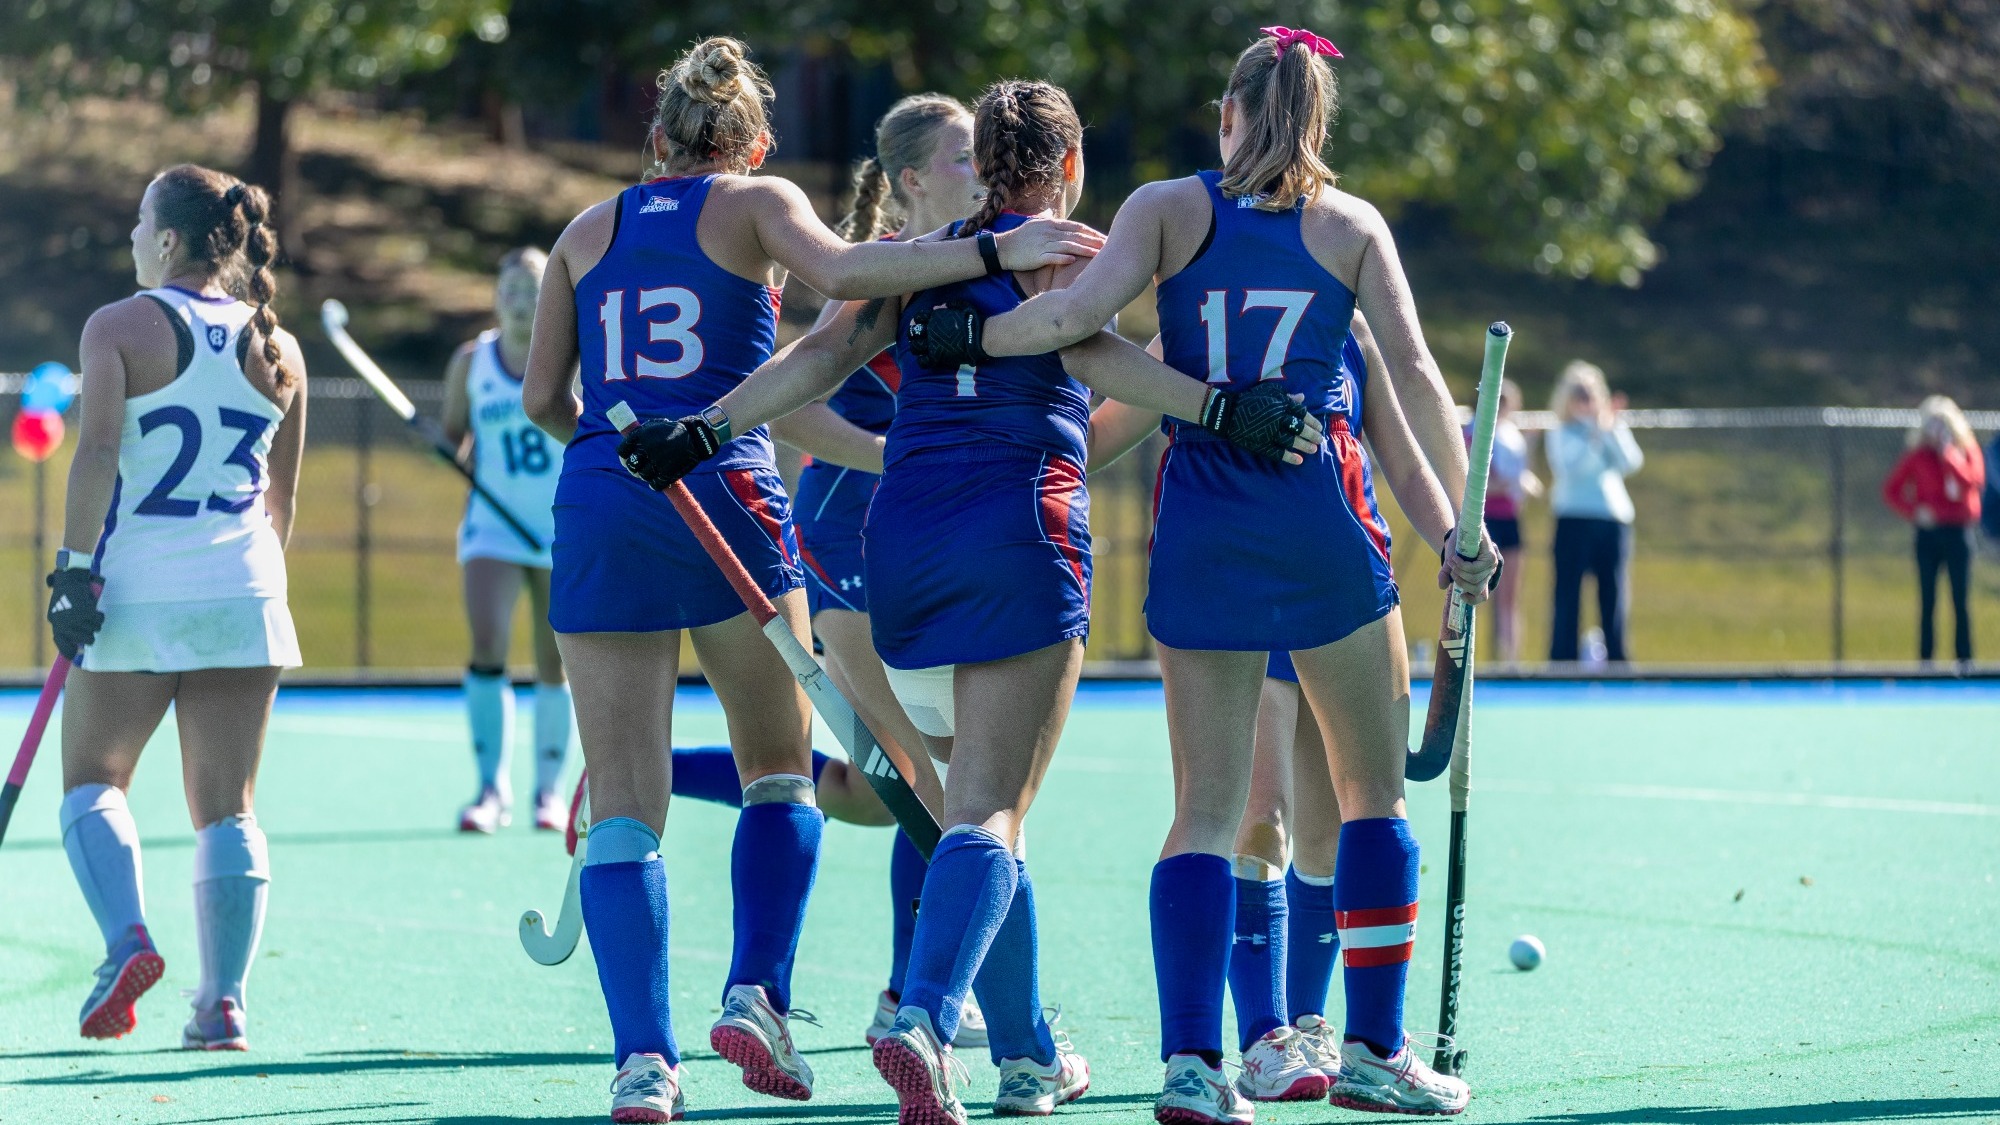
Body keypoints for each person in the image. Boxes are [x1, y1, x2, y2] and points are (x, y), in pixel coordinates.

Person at [615, 77, 1319, 1125]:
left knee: (974, 811)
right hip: (1017, 537)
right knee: (992, 808)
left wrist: (705, 428)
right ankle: (925, 1014)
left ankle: (1029, 1055)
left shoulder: (921, 260)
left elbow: (815, 355)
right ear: (1069, 168)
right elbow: (1085, 346)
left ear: (976, 164)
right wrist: (1223, 407)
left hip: (899, 557)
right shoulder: (1073, 249)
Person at [904, 28, 1499, 1119]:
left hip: (1202, 522)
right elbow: (1411, 377)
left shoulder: (1165, 209)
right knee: (1370, 796)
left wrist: (969, 341)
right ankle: (1372, 1050)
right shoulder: (1349, 224)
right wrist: (1463, 527)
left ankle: (1191, 1065)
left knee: (1205, 812)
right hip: (1321, 514)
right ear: (1318, 124)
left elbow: (1077, 323)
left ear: (1225, 115)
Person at [518, 37, 1103, 1122]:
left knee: (625, 814)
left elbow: (544, 396)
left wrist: (613, 452)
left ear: (655, 139)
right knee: (785, 773)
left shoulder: (582, 230)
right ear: (753, 141)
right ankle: (761, 992)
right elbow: (838, 277)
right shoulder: (755, 202)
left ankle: (644, 1065)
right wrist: (991, 252)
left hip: (608, 489)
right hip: (731, 497)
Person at [46, 164, 307, 1051]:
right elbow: (283, 504)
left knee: (91, 780)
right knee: (228, 809)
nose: (129, 236)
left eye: (138, 221)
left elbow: (97, 454)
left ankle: (126, 939)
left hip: (140, 589)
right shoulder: (282, 347)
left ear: (166, 240)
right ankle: (223, 1003)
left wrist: (71, 571)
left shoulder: (118, 326)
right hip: (248, 589)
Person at [441, 247, 572, 834]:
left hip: (558, 527)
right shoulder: (472, 362)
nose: (520, 299)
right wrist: (441, 446)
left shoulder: (572, 359)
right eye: (509, 287)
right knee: (488, 643)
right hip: (492, 528)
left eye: (532, 287)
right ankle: (490, 790)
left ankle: (549, 792)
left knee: (555, 660)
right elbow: (453, 440)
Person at [1544, 361, 1642, 664]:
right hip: (1573, 518)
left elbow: (1631, 461)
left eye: (1591, 394)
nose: (1586, 401)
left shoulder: (1609, 427)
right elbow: (1570, 468)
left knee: (1613, 596)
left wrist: (1611, 429)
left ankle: (1618, 662)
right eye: (1579, 395)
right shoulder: (1562, 432)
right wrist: (1595, 436)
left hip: (1612, 520)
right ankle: (1562, 663)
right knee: (1567, 597)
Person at [1883, 395, 1984, 663]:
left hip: (1958, 533)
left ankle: (1965, 661)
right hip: (1928, 535)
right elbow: (1892, 490)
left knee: (1960, 600)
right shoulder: (1918, 455)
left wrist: (1948, 454)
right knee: (1928, 601)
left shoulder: (1965, 451)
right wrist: (1915, 511)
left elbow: (1972, 482)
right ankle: (1925, 661)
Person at [1479, 379, 1538, 662]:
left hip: (1509, 519)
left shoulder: (1513, 436)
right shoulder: (1477, 432)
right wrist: (1511, 484)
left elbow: (1521, 480)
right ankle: (1473, 662)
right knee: (1475, 595)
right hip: (1486, 520)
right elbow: (1478, 482)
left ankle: (1511, 660)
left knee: (1510, 597)